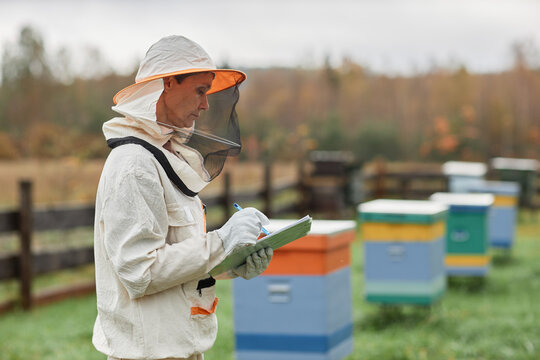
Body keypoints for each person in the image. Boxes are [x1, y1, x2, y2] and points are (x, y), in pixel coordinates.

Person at [92, 35, 273, 360]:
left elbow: (178, 259)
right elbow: (140, 272)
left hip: (178, 347)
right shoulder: (135, 164)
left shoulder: (163, 157)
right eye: (200, 91)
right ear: (168, 83)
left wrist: (232, 262)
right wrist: (221, 241)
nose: (205, 105)